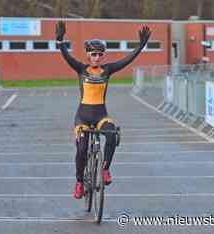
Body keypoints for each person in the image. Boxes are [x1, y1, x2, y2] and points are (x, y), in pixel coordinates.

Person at [56, 21, 151, 199]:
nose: (98, 57)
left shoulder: (107, 70)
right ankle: (79, 182)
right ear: (88, 55)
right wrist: (60, 42)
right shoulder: (81, 69)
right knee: (82, 148)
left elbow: (126, 60)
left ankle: (105, 169)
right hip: (83, 117)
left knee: (112, 134)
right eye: (94, 54)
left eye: (100, 54)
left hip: (100, 115)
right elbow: (66, 57)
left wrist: (140, 46)